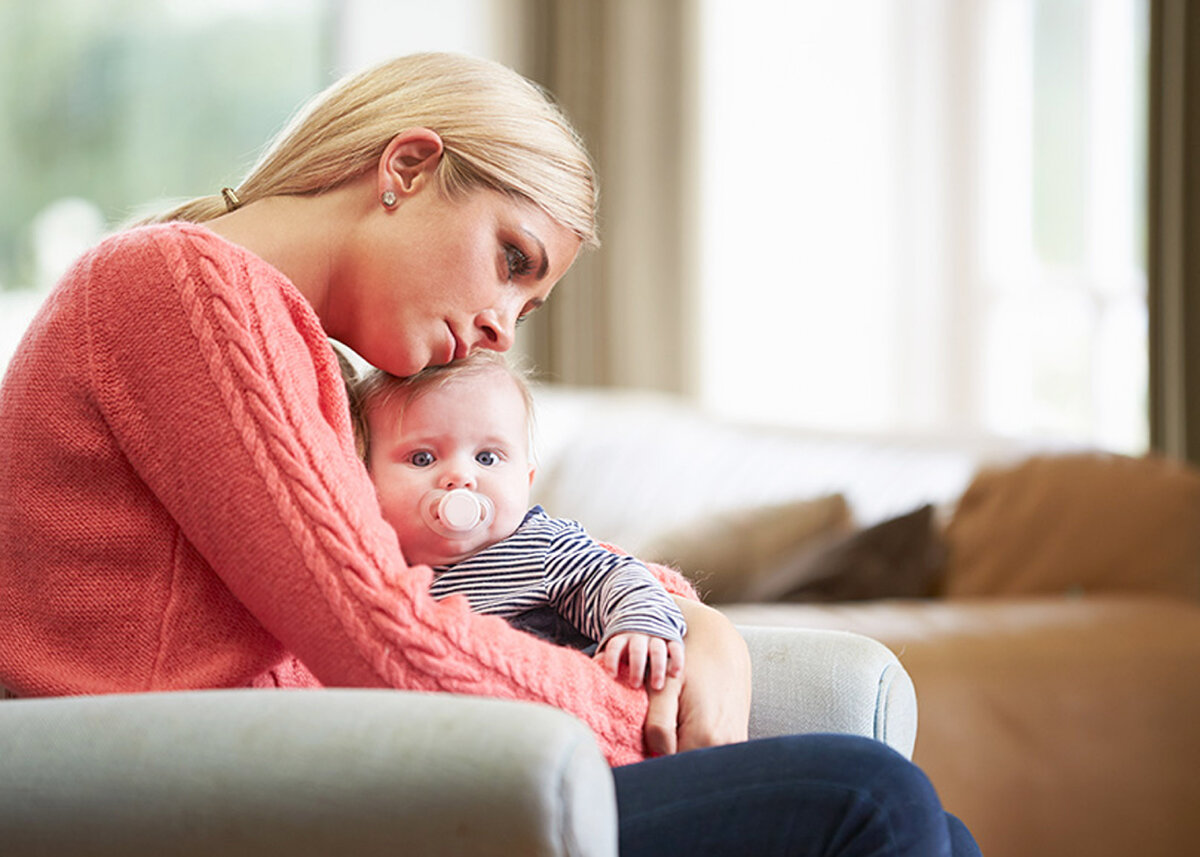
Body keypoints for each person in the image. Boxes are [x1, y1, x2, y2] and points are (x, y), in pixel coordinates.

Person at [0, 51, 980, 856]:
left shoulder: (305, 364)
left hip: (327, 780)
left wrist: (683, 615)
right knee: (872, 800)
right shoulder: (180, 287)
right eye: (513, 258)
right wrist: (635, 703)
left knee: (933, 823)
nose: (503, 329)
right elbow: (385, 634)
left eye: (530, 299)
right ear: (408, 166)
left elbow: (483, 561)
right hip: (221, 805)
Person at [349, 350, 686, 689]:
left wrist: (637, 624)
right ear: (366, 477)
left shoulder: (543, 547)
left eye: (486, 457)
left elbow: (614, 575)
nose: (460, 476)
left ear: (525, 482)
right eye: (423, 458)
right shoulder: (375, 568)